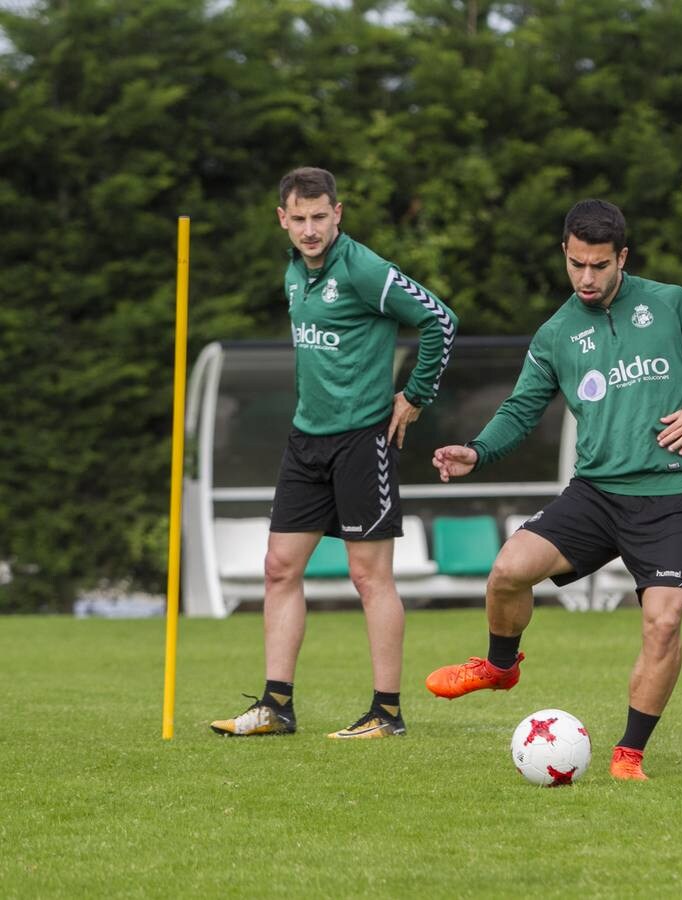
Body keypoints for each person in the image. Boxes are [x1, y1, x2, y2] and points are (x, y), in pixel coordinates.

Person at [425, 199, 682, 779]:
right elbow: (522, 408)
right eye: (576, 264)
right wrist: (476, 450)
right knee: (508, 570)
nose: (586, 278)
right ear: (565, 255)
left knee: (665, 619)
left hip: (667, 493)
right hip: (596, 493)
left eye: (599, 265)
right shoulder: (556, 332)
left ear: (622, 257)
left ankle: (629, 755)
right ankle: (500, 667)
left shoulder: (671, 304)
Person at [211, 167, 458, 739]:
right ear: (282, 219)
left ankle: (387, 713)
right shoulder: (295, 273)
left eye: (319, 217)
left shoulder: (364, 268)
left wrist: (415, 396)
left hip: (361, 440)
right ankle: (276, 706)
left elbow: (440, 320)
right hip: (306, 440)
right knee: (279, 569)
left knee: (368, 577)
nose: (310, 229)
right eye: (298, 219)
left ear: (338, 213)